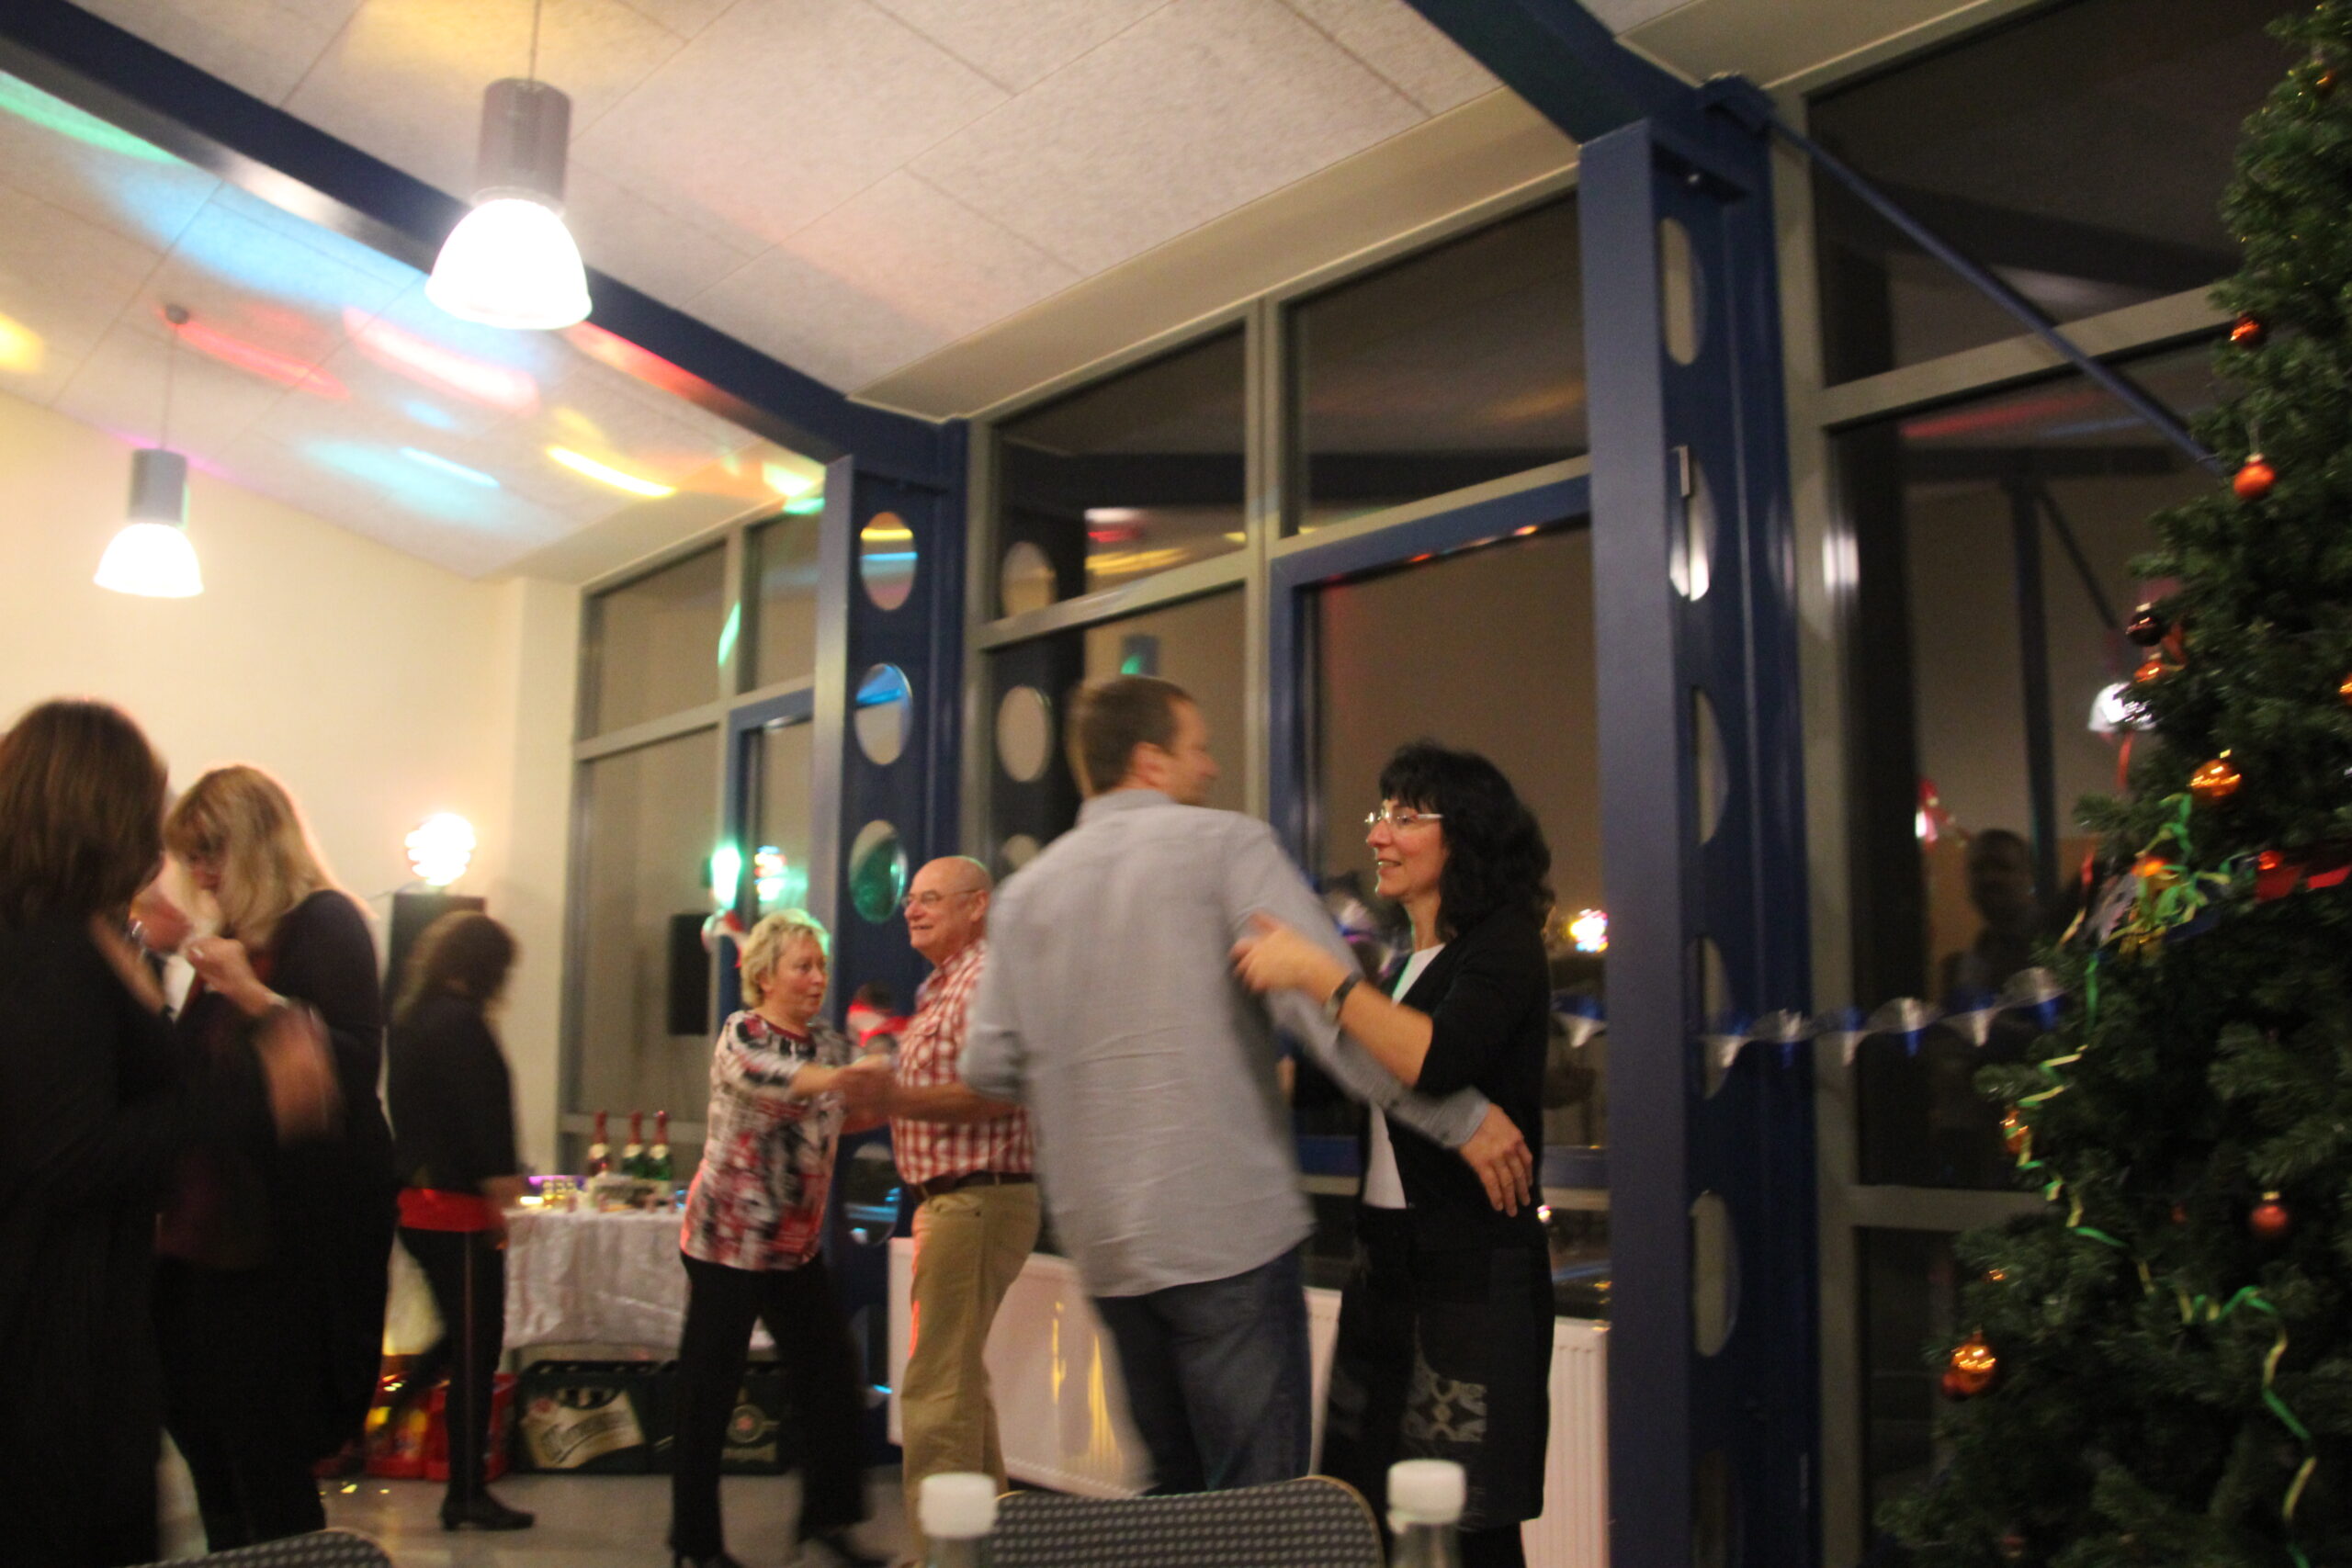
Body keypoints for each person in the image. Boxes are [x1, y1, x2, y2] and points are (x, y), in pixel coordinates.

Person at [960, 676, 1533, 1495]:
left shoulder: (1024, 897)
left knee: (1171, 1489)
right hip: (1225, 1234)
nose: (1212, 767)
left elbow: (987, 1064)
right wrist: (1464, 1119)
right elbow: (1333, 1019)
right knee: (1258, 1505)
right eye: (1198, 748)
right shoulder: (1227, 848)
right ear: (1150, 760)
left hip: (1108, 1248)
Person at [0, 700, 334, 1568]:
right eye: (146, 802)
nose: (157, 832)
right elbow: (69, 1150)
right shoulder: (47, 948)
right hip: (51, 1309)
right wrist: (258, 1089)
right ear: (96, 806)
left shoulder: (84, 933)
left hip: (94, 1292)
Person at [1233, 741, 1558, 1567]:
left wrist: (1323, 977)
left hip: (1471, 1270)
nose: (1378, 834)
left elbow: (1434, 1057)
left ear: (1465, 834)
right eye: (1380, 814)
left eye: (1405, 817)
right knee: (1358, 1499)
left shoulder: (1504, 947)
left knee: (1464, 1519)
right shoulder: (1398, 966)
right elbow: (1325, 1079)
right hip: (1382, 1264)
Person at [154, 764, 399, 1548]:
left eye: (211, 852)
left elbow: (351, 1068)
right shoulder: (233, 944)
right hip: (219, 1239)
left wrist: (252, 995)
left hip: (289, 1244)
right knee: (210, 1435)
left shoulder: (324, 920)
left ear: (258, 843)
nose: (200, 873)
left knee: (265, 1448)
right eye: (190, 856)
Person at [672, 909, 888, 1568]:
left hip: (794, 1247)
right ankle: (695, 1545)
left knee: (831, 1376)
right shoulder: (743, 1033)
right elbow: (776, 1077)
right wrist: (845, 1078)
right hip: (728, 1242)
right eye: (802, 966)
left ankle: (828, 1519)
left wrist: (885, 1080)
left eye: (821, 965)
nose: (817, 977)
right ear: (765, 975)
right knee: (709, 1391)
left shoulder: (826, 1043)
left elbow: (848, 1107)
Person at [863, 855, 1036, 1556]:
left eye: (931, 898)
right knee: (958, 1387)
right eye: (911, 898)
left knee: (936, 1393)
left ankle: (942, 1555)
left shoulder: (989, 976)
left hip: (976, 1199)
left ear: (978, 905)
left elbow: (1000, 1090)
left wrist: (896, 1097)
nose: (912, 908)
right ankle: (983, 1550)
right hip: (956, 1203)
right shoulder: (942, 984)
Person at [387, 910, 533, 1532]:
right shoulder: (464, 1026)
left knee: (462, 1334)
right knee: (477, 1348)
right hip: (457, 1212)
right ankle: (465, 1490)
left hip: (416, 1202)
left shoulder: (413, 1018)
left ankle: (402, 1401)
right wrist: (505, 1190)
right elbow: (483, 1119)